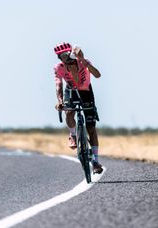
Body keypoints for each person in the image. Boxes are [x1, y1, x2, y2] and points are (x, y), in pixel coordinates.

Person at [54, 42, 103, 174]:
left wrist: (82, 60)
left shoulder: (83, 62)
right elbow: (58, 85)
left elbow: (98, 75)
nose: (62, 58)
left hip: (86, 92)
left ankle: (95, 161)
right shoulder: (59, 67)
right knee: (69, 112)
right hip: (71, 91)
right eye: (60, 56)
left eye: (65, 55)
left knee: (91, 128)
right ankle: (73, 135)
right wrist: (59, 101)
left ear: (70, 54)